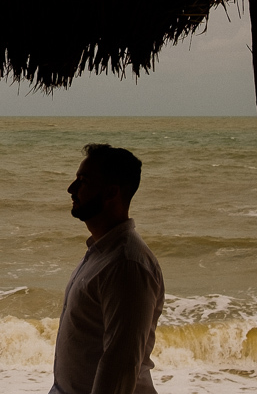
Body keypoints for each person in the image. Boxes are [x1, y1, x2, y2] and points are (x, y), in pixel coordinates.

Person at [51, 144, 165, 394]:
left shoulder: (127, 265)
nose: (71, 189)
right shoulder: (102, 252)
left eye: (83, 181)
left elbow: (120, 366)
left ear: (111, 192)